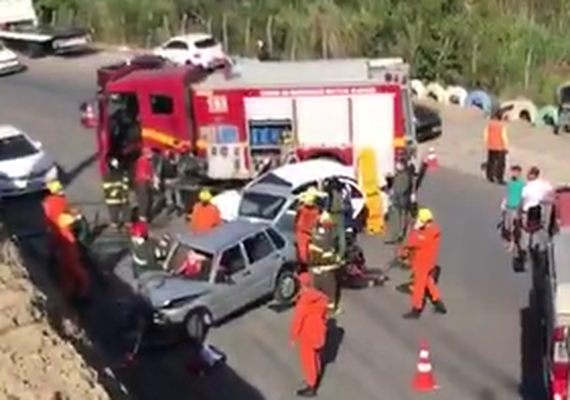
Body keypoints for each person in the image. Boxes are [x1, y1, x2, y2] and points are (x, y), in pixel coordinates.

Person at [400, 208, 447, 319]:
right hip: (429, 261)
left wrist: (403, 252)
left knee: (418, 285)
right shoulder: (432, 231)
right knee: (428, 281)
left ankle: (416, 308)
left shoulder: (425, 234)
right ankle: (437, 301)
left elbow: (412, 242)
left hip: (422, 262)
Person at [289, 272, 328, 397]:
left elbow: (298, 320)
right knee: (316, 357)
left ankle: (311, 386)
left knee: (308, 360)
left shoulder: (304, 301)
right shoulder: (320, 297)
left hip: (307, 334)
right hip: (319, 331)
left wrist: (293, 337)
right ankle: (316, 377)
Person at [308, 212, 341, 312]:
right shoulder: (314, 231)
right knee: (318, 285)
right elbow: (309, 244)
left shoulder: (332, 232)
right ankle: (318, 303)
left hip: (326, 264)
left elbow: (336, 248)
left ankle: (329, 304)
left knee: (328, 284)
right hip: (317, 263)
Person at [54, 211, 90, 301]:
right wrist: (79, 217)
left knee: (69, 276)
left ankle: (71, 295)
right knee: (78, 274)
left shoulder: (59, 230)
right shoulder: (66, 233)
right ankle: (81, 293)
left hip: (64, 256)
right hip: (69, 256)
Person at [385, 158, 413, 244]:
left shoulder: (404, 176)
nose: (397, 166)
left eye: (399, 164)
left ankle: (400, 236)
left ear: (403, 166)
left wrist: (394, 192)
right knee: (397, 219)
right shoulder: (399, 174)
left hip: (402, 201)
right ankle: (397, 236)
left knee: (401, 219)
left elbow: (402, 188)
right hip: (398, 201)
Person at [295, 188, 322, 268]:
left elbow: (297, 218)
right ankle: (307, 262)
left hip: (302, 230)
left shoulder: (301, 209)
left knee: (302, 249)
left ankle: (304, 263)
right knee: (307, 249)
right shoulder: (316, 210)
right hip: (309, 231)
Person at [501, 165, 525, 251]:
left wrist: (522, 207)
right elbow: (507, 194)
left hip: (516, 207)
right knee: (507, 225)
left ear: (519, 173)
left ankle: (513, 242)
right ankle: (509, 240)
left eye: (515, 172)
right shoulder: (510, 183)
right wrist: (503, 204)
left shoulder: (522, 184)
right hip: (508, 206)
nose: (513, 174)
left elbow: (523, 196)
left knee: (515, 225)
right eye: (512, 172)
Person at [103, 157, 130, 228]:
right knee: (125, 207)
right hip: (121, 196)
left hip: (111, 198)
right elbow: (125, 186)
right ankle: (127, 221)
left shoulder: (106, 177)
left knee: (113, 209)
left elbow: (106, 188)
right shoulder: (122, 175)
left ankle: (114, 222)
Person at [323, 177, 346, 256]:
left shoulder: (330, 192)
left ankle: (332, 250)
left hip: (332, 214)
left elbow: (327, 203)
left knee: (330, 234)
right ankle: (341, 252)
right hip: (340, 214)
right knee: (341, 234)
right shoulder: (341, 191)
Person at [483, 114, 508, 184]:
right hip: (500, 146)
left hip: (491, 146)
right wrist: (505, 146)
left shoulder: (490, 125)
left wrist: (487, 143)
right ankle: (499, 178)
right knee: (500, 164)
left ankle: (490, 176)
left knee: (491, 162)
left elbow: (486, 134)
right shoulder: (501, 126)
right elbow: (504, 136)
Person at [159, 150, 184, 215]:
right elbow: (179, 169)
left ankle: (172, 205)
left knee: (169, 193)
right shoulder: (174, 160)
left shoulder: (164, 161)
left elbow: (161, 170)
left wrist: (161, 178)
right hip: (173, 179)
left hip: (169, 179)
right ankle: (178, 205)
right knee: (175, 193)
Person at [133, 149, 154, 221]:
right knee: (144, 199)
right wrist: (150, 178)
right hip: (142, 182)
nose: (152, 154)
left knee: (146, 199)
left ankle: (143, 215)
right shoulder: (143, 161)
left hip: (143, 182)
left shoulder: (145, 161)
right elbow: (143, 174)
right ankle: (142, 216)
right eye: (150, 153)